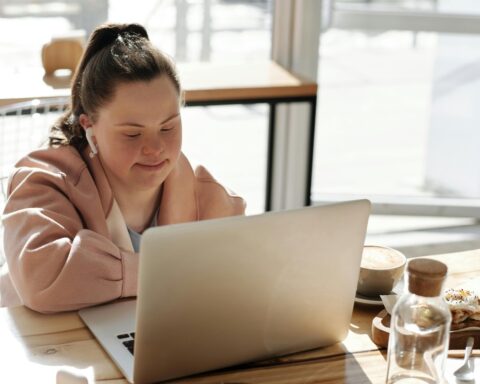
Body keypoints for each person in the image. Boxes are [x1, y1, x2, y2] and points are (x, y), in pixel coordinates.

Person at [0, 23, 246, 313]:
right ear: (89, 126)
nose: (155, 148)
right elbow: (43, 280)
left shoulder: (208, 196)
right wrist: (169, 271)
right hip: (42, 349)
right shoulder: (43, 181)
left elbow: (240, 280)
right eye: (132, 133)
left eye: (168, 127)